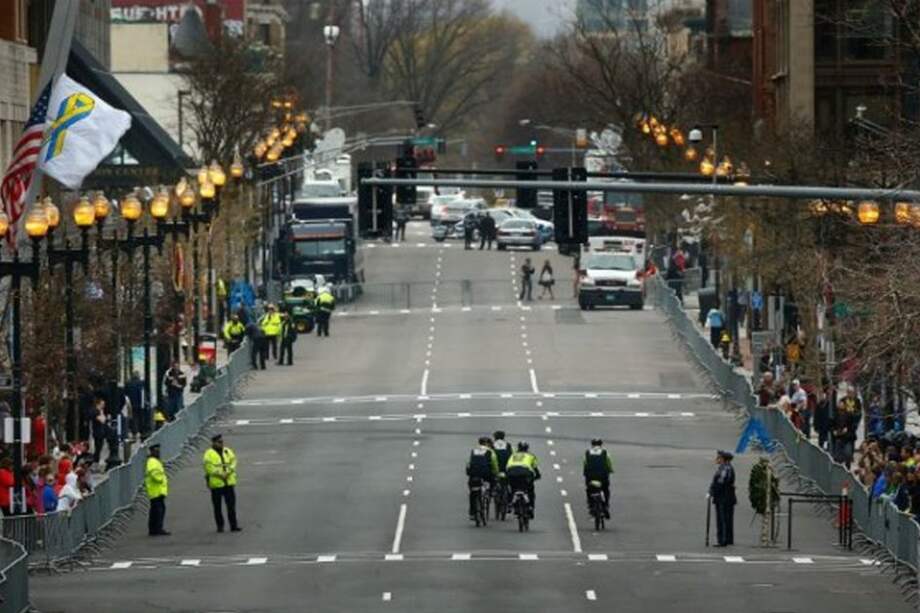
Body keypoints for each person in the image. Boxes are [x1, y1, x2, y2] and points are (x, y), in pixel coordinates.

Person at [203, 434, 240, 533]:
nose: (222, 444)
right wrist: (220, 474)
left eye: (222, 442)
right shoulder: (208, 454)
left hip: (229, 482)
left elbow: (233, 461)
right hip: (217, 484)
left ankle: (234, 525)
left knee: (231, 506)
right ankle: (220, 526)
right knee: (217, 507)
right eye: (219, 442)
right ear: (214, 443)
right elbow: (209, 468)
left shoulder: (227, 451)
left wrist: (229, 471)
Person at [465, 436, 498, 520]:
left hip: (474, 473)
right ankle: (491, 492)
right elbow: (494, 463)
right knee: (493, 479)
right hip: (485, 472)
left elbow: (470, 462)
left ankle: (472, 512)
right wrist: (496, 473)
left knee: (472, 491)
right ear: (488, 444)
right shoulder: (490, 451)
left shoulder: (474, 450)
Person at [709, 450, 736, 547]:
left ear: (723, 459)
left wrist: (712, 491)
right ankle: (728, 539)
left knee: (722, 519)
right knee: (727, 518)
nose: (717, 459)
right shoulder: (725, 468)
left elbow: (720, 482)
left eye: (719, 458)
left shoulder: (725, 469)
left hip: (723, 497)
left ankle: (722, 539)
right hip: (727, 497)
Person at [505, 441, 540, 518]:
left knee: (511, 488)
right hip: (525, 473)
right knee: (530, 489)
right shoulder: (531, 455)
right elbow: (535, 468)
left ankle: (509, 504)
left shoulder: (513, 455)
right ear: (527, 448)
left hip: (512, 472)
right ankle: (530, 507)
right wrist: (537, 476)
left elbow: (507, 466)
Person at [583, 438, 613, 518]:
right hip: (602, 476)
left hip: (590, 477)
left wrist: (586, 473)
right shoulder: (605, 453)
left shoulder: (587, 453)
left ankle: (591, 504)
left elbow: (585, 464)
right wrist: (610, 470)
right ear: (601, 444)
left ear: (592, 444)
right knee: (606, 489)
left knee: (589, 490)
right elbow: (609, 464)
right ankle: (606, 504)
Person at [145, 443, 169, 536]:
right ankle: (156, 529)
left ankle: (155, 529)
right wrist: (161, 479)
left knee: (157, 510)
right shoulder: (152, 461)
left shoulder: (154, 461)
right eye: (156, 450)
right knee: (157, 511)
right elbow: (154, 473)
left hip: (158, 490)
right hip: (155, 490)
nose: (158, 452)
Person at [125, 371, 145, 438]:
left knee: (133, 418)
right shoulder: (141, 383)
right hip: (139, 404)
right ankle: (140, 431)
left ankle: (134, 432)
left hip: (131, 404)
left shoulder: (128, 383)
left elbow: (126, 394)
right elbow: (142, 394)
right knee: (140, 418)